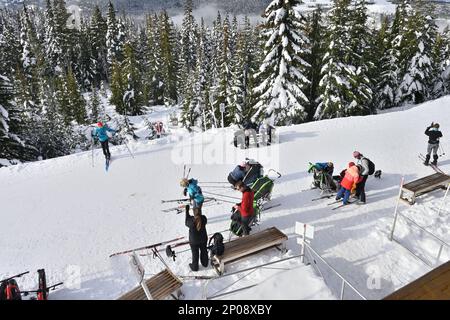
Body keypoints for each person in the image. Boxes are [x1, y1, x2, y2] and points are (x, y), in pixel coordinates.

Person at [185, 204, 208, 271]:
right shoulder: (204, 218)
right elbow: (200, 218)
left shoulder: (191, 221)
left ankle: (195, 267)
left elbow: (186, 221)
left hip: (194, 241)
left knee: (195, 253)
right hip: (203, 238)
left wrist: (187, 211)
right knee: (204, 250)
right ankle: (205, 263)